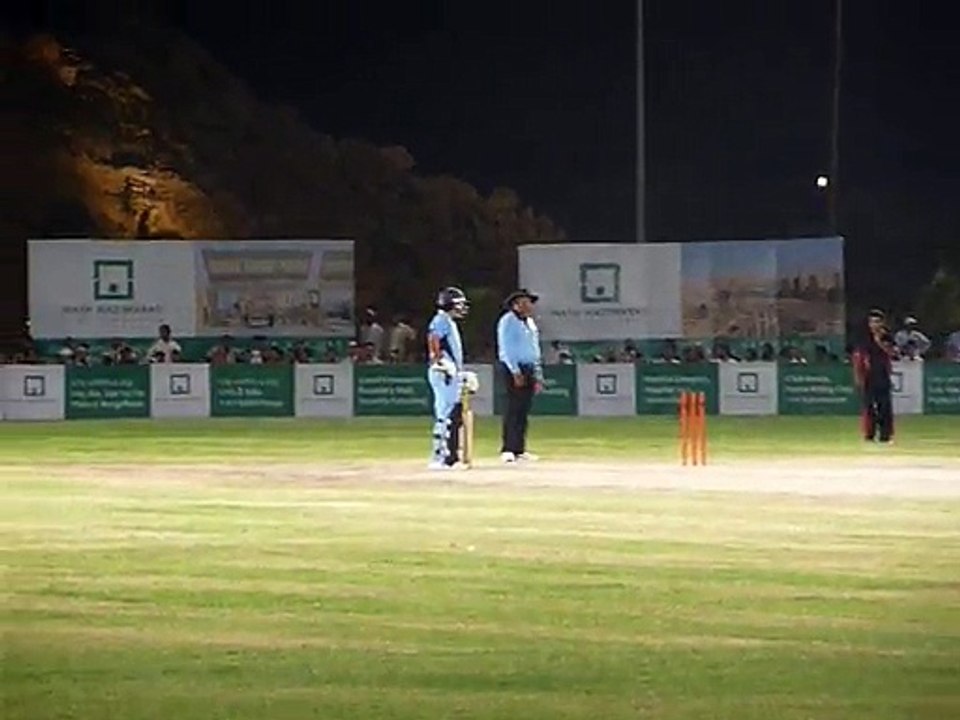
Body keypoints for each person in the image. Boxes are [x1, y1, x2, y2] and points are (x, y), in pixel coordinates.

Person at [496, 288, 542, 464]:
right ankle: (508, 449)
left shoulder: (530, 322)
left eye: (529, 302)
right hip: (513, 368)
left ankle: (519, 449)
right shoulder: (508, 321)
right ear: (516, 305)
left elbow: (534, 349)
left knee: (523, 410)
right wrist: (515, 371)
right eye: (525, 302)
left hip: (529, 367)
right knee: (512, 409)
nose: (529, 305)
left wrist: (537, 374)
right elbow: (506, 348)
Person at [426, 287, 470, 469]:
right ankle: (440, 457)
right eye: (459, 304)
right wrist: (440, 361)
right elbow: (433, 339)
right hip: (444, 372)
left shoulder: (448, 321)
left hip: (451, 372)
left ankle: (448, 456)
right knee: (445, 414)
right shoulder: (441, 320)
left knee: (451, 413)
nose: (462, 308)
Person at [853, 309, 896, 443]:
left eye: (877, 321)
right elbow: (858, 356)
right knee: (869, 406)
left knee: (884, 406)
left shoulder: (887, 337)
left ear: (882, 323)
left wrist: (879, 340)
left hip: (882, 375)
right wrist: (858, 375)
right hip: (868, 376)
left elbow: (892, 353)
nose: (874, 324)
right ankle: (869, 434)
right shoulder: (864, 338)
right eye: (872, 322)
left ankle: (885, 434)